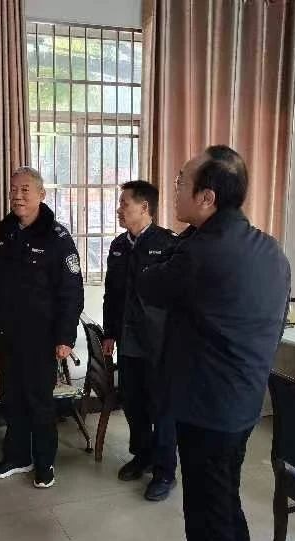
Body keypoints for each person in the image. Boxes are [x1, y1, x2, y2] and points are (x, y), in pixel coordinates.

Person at [138, 146, 291, 541]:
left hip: (206, 407)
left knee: (207, 514)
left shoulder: (200, 252)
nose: (175, 189)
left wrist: (187, 239)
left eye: (181, 182)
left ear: (207, 197)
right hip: (245, 399)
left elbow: (148, 285)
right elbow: (278, 326)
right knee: (223, 497)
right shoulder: (270, 249)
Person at [0, 166, 84, 489]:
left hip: (41, 336)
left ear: (41, 194)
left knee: (39, 401)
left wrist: (65, 337)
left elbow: (71, 293)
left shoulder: (57, 238)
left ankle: (45, 462)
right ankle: (17, 456)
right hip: (8, 332)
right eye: (13, 190)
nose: (17, 196)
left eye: (25, 190)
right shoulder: (5, 229)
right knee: (11, 397)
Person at [102, 180, 178, 501]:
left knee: (161, 407)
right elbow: (111, 294)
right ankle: (142, 455)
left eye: (124, 204)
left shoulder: (168, 244)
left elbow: (178, 299)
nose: (119, 210)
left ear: (144, 207)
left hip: (159, 343)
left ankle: (165, 471)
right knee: (133, 402)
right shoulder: (119, 245)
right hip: (128, 339)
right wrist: (109, 332)